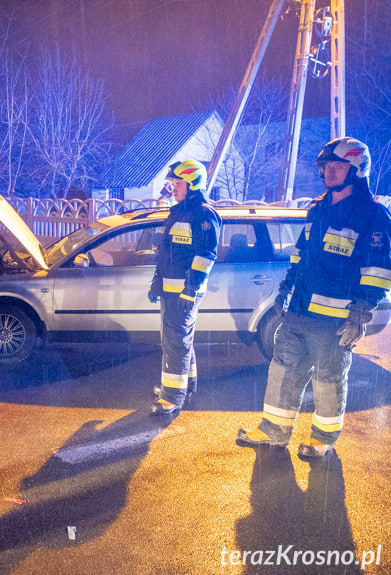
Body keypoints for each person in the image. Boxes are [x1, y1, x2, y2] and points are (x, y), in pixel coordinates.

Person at [238, 138, 391, 458]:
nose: (329, 173)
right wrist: (284, 292)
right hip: (297, 312)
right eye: (326, 167)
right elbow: (300, 256)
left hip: (335, 320)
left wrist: (360, 313)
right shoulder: (318, 209)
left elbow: (378, 270)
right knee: (282, 371)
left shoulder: (373, 216)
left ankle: (323, 438)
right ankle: (273, 432)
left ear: (357, 170)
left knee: (327, 380)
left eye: (337, 167)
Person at [148, 160, 221, 415]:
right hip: (172, 289)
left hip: (184, 292)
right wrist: (158, 282)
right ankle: (186, 386)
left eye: (178, 184)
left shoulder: (203, 214)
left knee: (175, 343)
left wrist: (190, 289)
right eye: (172, 184)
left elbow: (205, 256)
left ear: (192, 184)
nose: (173, 189)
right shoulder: (179, 210)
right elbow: (167, 253)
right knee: (179, 341)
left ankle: (171, 399)